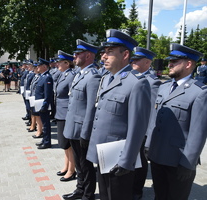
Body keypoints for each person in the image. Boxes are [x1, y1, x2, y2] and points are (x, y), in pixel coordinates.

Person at [86, 29, 151, 200]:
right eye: (104, 52)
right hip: (103, 154)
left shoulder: (137, 83)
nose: (103, 57)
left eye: (109, 52)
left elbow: (137, 128)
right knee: (105, 196)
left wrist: (126, 161)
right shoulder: (107, 78)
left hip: (118, 158)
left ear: (125, 54)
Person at [145, 43, 207, 200]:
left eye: (174, 61)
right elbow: (154, 119)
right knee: (159, 196)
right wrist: (148, 145)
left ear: (188, 64)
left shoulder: (199, 92)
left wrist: (188, 163)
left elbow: (198, 133)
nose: (169, 64)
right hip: (158, 156)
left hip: (178, 161)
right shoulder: (164, 87)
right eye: (169, 61)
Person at [62, 39, 101, 200]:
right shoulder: (80, 74)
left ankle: (88, 194)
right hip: (73, 127)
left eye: (78, 54)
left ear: (88, 56)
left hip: (81, 130)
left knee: (86, 165)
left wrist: (86, 133)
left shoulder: (93, 77)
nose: (74, 56)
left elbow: (91, 108)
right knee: (79, 163)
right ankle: (80, 188)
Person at [130, 47, 162, 200]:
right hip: (129, 128)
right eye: (133, 59)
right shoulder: (130, 77)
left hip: (141, 131)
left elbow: (152, 112)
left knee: (140, 163)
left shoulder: (152, 82)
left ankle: (137, 191)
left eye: (137, 59)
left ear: (147, 62)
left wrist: (148, 136)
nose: (133, 61)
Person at [54, 50, 76, 182]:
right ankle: (66, 166)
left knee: (69, 144)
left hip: (66, 114)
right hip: (60, 113)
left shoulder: (71, 76)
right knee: (64, 144)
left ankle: (71, 170)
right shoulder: (63, 75)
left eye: (59, 62)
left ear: (67, 63)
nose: (57, 64)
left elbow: (72, 97)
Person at [34, 58, 54, 149]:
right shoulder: (42, 76)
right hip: (39, 104)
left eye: (39, 65)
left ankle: (47, 142)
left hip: (43, 104)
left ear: (45, 66)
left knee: (46, 124)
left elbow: (48, 93)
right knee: (43, 122)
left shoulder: (47, 77)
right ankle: (44, 140)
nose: (37, 67)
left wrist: (45, 104)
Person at [30, 62, 43, 138]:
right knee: (35, 114)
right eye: (35, 68)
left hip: (38, 99)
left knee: (38, 116)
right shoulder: (36, 76)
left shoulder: (41, 77)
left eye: (36, 68)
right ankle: (38, 129)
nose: (35, 69)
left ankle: (40, 131)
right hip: (34, 98)